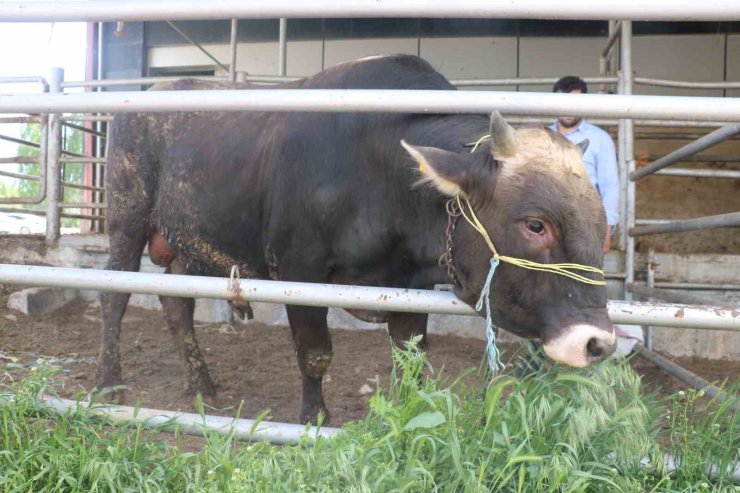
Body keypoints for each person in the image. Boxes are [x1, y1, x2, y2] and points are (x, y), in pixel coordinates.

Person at [550, 76, 620, 252]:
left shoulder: (600, 139)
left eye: (574, 103)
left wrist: (606, 229)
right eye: (563, 103)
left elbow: (610, 185)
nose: (568, 110)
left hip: (586, 223)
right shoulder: (542, 136)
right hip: (548, 222)